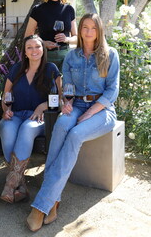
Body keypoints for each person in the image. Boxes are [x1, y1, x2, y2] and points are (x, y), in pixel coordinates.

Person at [26, 13, 120, 231]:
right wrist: (66, 102)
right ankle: (54, 199)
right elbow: (67, 88)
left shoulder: (110, 54)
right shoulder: (71, 56)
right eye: (85, 27)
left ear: (99, 31)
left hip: (102, 110)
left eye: (93, 28)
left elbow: (112, 91)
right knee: (60, 126)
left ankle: (40, 206)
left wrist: (89, 113)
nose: (88, 32)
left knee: (76, 134)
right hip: (76, 106)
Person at [0, 35, 61, 204]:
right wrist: (6, 110)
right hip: (16, 114)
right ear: (25, 52)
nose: (34, 50)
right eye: (29, 48)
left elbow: (61, 98)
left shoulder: (51, 69)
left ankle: (10, 185)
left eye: (37, 47)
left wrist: (43, 106)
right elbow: (6, 96)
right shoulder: (16, 69)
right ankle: (20, 185)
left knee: (27, 128)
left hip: (39, 117)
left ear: (43, 49)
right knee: (6, 127)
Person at [25, 0, 77, 69]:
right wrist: (42, 43)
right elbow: (27, 36)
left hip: (66, 58)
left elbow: (77, 38)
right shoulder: (38, 10)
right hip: (45, 56)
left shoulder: (69, 9)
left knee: (65, 84)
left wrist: (67, 39)